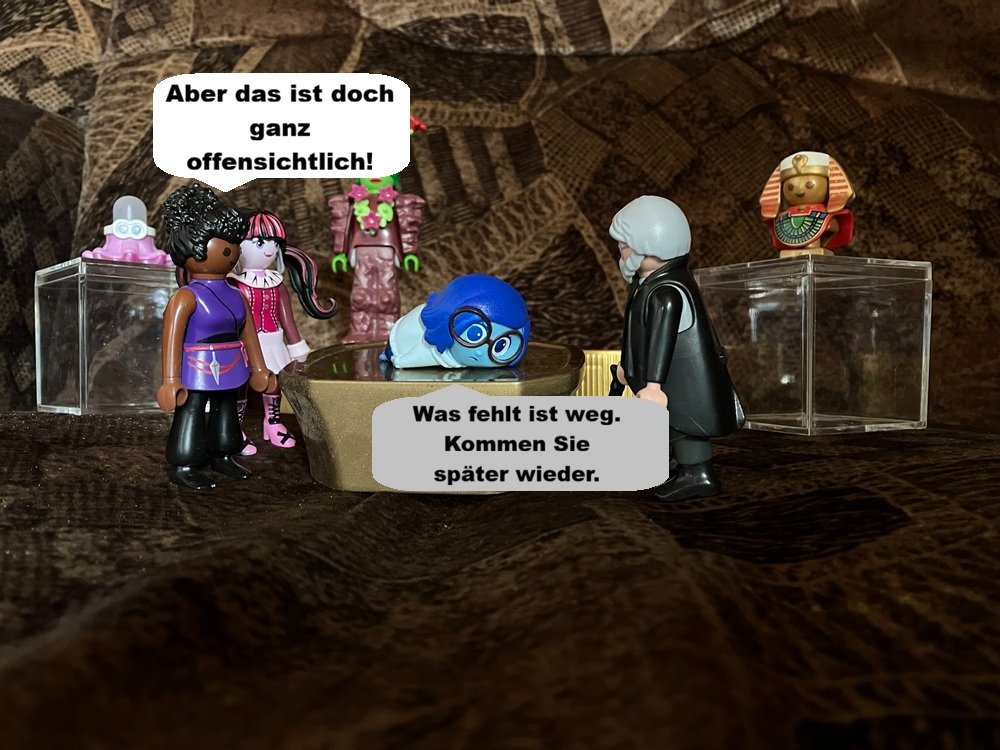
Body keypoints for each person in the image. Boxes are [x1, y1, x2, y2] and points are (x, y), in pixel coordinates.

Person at [610, 196, 744, 500]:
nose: (620, 250)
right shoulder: (647, 284)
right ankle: (675, 466)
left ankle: (698, 474)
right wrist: (627, 366)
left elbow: (662, 337)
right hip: (666, 377)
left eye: (624, 244)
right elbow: (637, 334)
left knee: (687, 425)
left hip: (683, 379)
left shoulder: (667, 291)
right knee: (670, 425)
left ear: (651, 243)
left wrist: (654, 385)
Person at [157, 185, 277, 491]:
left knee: (227, 410)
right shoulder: (186, 297)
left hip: (232, 363)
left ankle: (224, 454)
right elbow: (171, 340)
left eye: (234, 246)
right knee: (192, 411)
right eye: (226, 247)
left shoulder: (237, 294)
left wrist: (260, 369)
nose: (233, 252)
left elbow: (249, 334)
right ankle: (184, 464)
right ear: (195, 250)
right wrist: (170, 380)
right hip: (197, 367)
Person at [228, 209, 337, 452]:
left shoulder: (277, 285)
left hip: (272, 341)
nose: (269, 249)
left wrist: (297, 346)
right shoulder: (234, 285)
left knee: (274, 382)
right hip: (244, 345)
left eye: (274, 243)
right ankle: (234, 427)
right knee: (239, 384)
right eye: (259, 242)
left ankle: (273, 422)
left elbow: (288, 321)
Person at [381, 274, 530, 369]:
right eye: (475, 334)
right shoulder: (426, 341)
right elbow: (403, 361)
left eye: (500, 345)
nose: (480, 351)